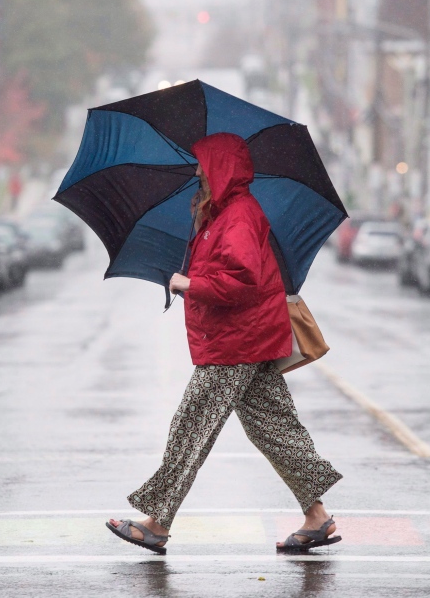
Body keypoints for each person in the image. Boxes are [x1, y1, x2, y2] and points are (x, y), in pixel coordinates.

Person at [106, 133, 343, 554]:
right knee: (275, 429)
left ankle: (157, 522)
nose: (196, 171)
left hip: (237, 343)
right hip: (245, 340)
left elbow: (243, 282)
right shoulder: (221, 216)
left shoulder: (239, 217)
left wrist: (189, 283)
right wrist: (200, 222)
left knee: (191, 427)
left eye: (203, 165)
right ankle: (317, 517)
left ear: (222, 169)